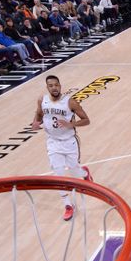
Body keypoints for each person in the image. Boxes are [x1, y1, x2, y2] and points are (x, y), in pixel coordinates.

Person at [30, 75, 92, 221]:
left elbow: (87, 120)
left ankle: (84, 173)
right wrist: (35, 122)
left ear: (60, 86)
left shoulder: (70, 102)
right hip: (53, 143)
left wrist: (72, 124)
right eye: (51, 85)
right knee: (58, 174)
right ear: (47, 87)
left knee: (74, 171)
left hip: (69, 142)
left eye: (56, 85)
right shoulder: (42, 100)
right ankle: (68, 205)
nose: (54, 88)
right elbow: (39, 114)